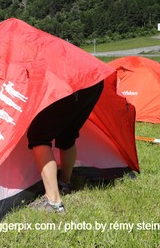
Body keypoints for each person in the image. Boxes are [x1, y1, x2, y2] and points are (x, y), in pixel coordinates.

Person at [27, 80, 104, 212]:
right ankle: (64, 183)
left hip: (72, 82)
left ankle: (53, 202)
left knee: (39, 136)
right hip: (94, 81)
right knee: (68, 134)